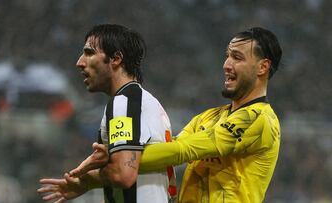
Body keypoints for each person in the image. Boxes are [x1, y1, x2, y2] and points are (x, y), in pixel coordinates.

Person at [65, 26, 283, 203]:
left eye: (237, 57)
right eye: (227, 56)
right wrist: (92, 179)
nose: (226, 64)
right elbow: (168, 153)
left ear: (262, 67)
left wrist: (119, 158)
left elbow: (182, 150)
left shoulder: (260, 118)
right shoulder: (208, 118)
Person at [37, 24, 175, 203]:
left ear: (116, 59)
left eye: (89, 52)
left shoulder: (124, 102)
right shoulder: (148, 102)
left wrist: (85, 181)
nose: (80, 62)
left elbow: (123, 174)